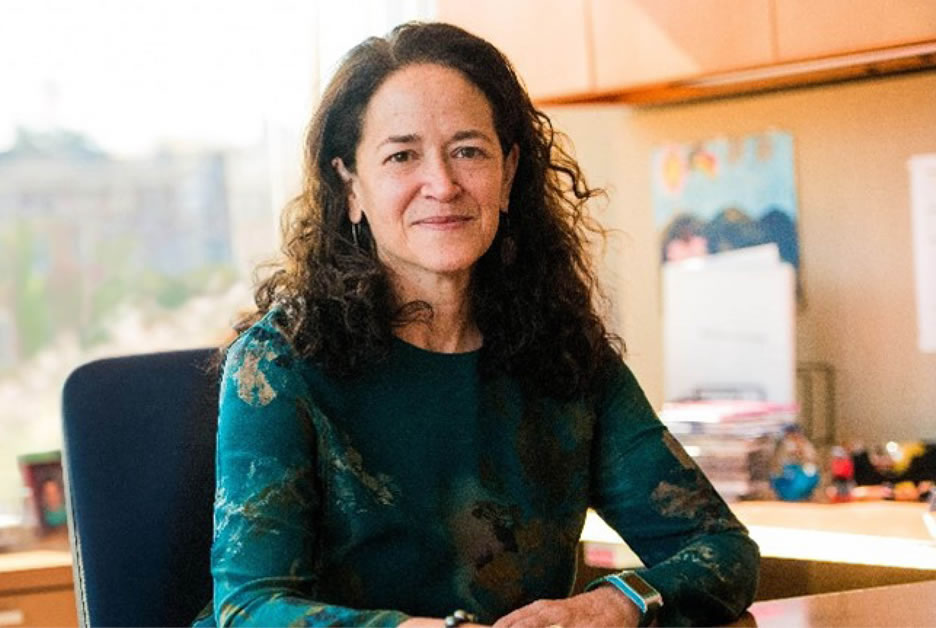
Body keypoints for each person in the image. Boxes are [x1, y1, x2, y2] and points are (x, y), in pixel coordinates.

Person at [196, 21, 759, 628]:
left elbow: (723, 552)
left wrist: (612, 604)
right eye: (401, 156)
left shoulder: (565, 352)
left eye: (468, 150)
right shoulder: (280, 364)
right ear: (350, 185)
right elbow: (247, 609)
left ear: (509, 174)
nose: (441, 184)